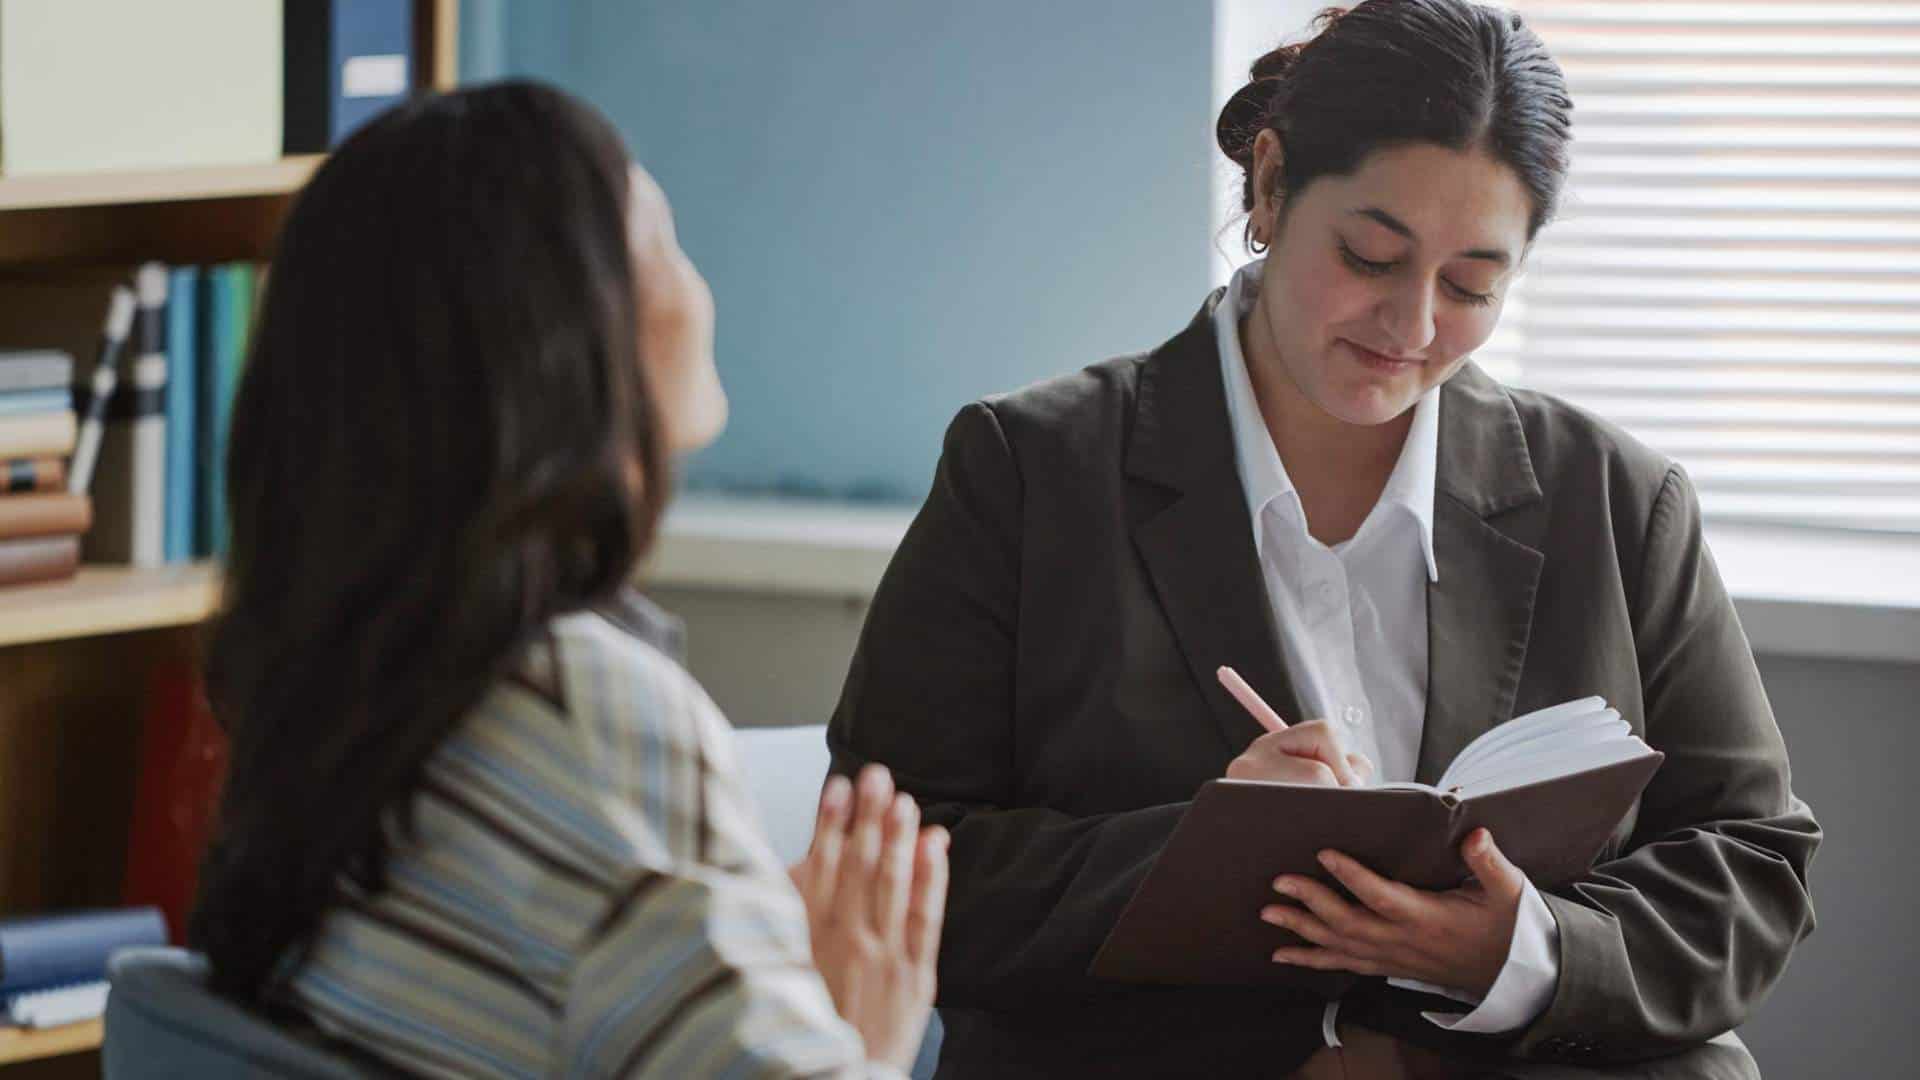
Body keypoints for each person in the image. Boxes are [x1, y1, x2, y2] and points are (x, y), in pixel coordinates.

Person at [825, 2, 1818, 1077]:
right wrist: (1197, 852)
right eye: (1368, 255)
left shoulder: (1619, 498)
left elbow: (1752, 862)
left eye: (1472, 285)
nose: (1412, 328)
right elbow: (887, 865)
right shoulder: (1027, 471)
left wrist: (1519, 955)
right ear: (1268, 184)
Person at [190, 81, 947, 1078]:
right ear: (565, 333)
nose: (702, 287)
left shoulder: (348, 695)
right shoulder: (586, 711)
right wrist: (863, 1034)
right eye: (666, 239)